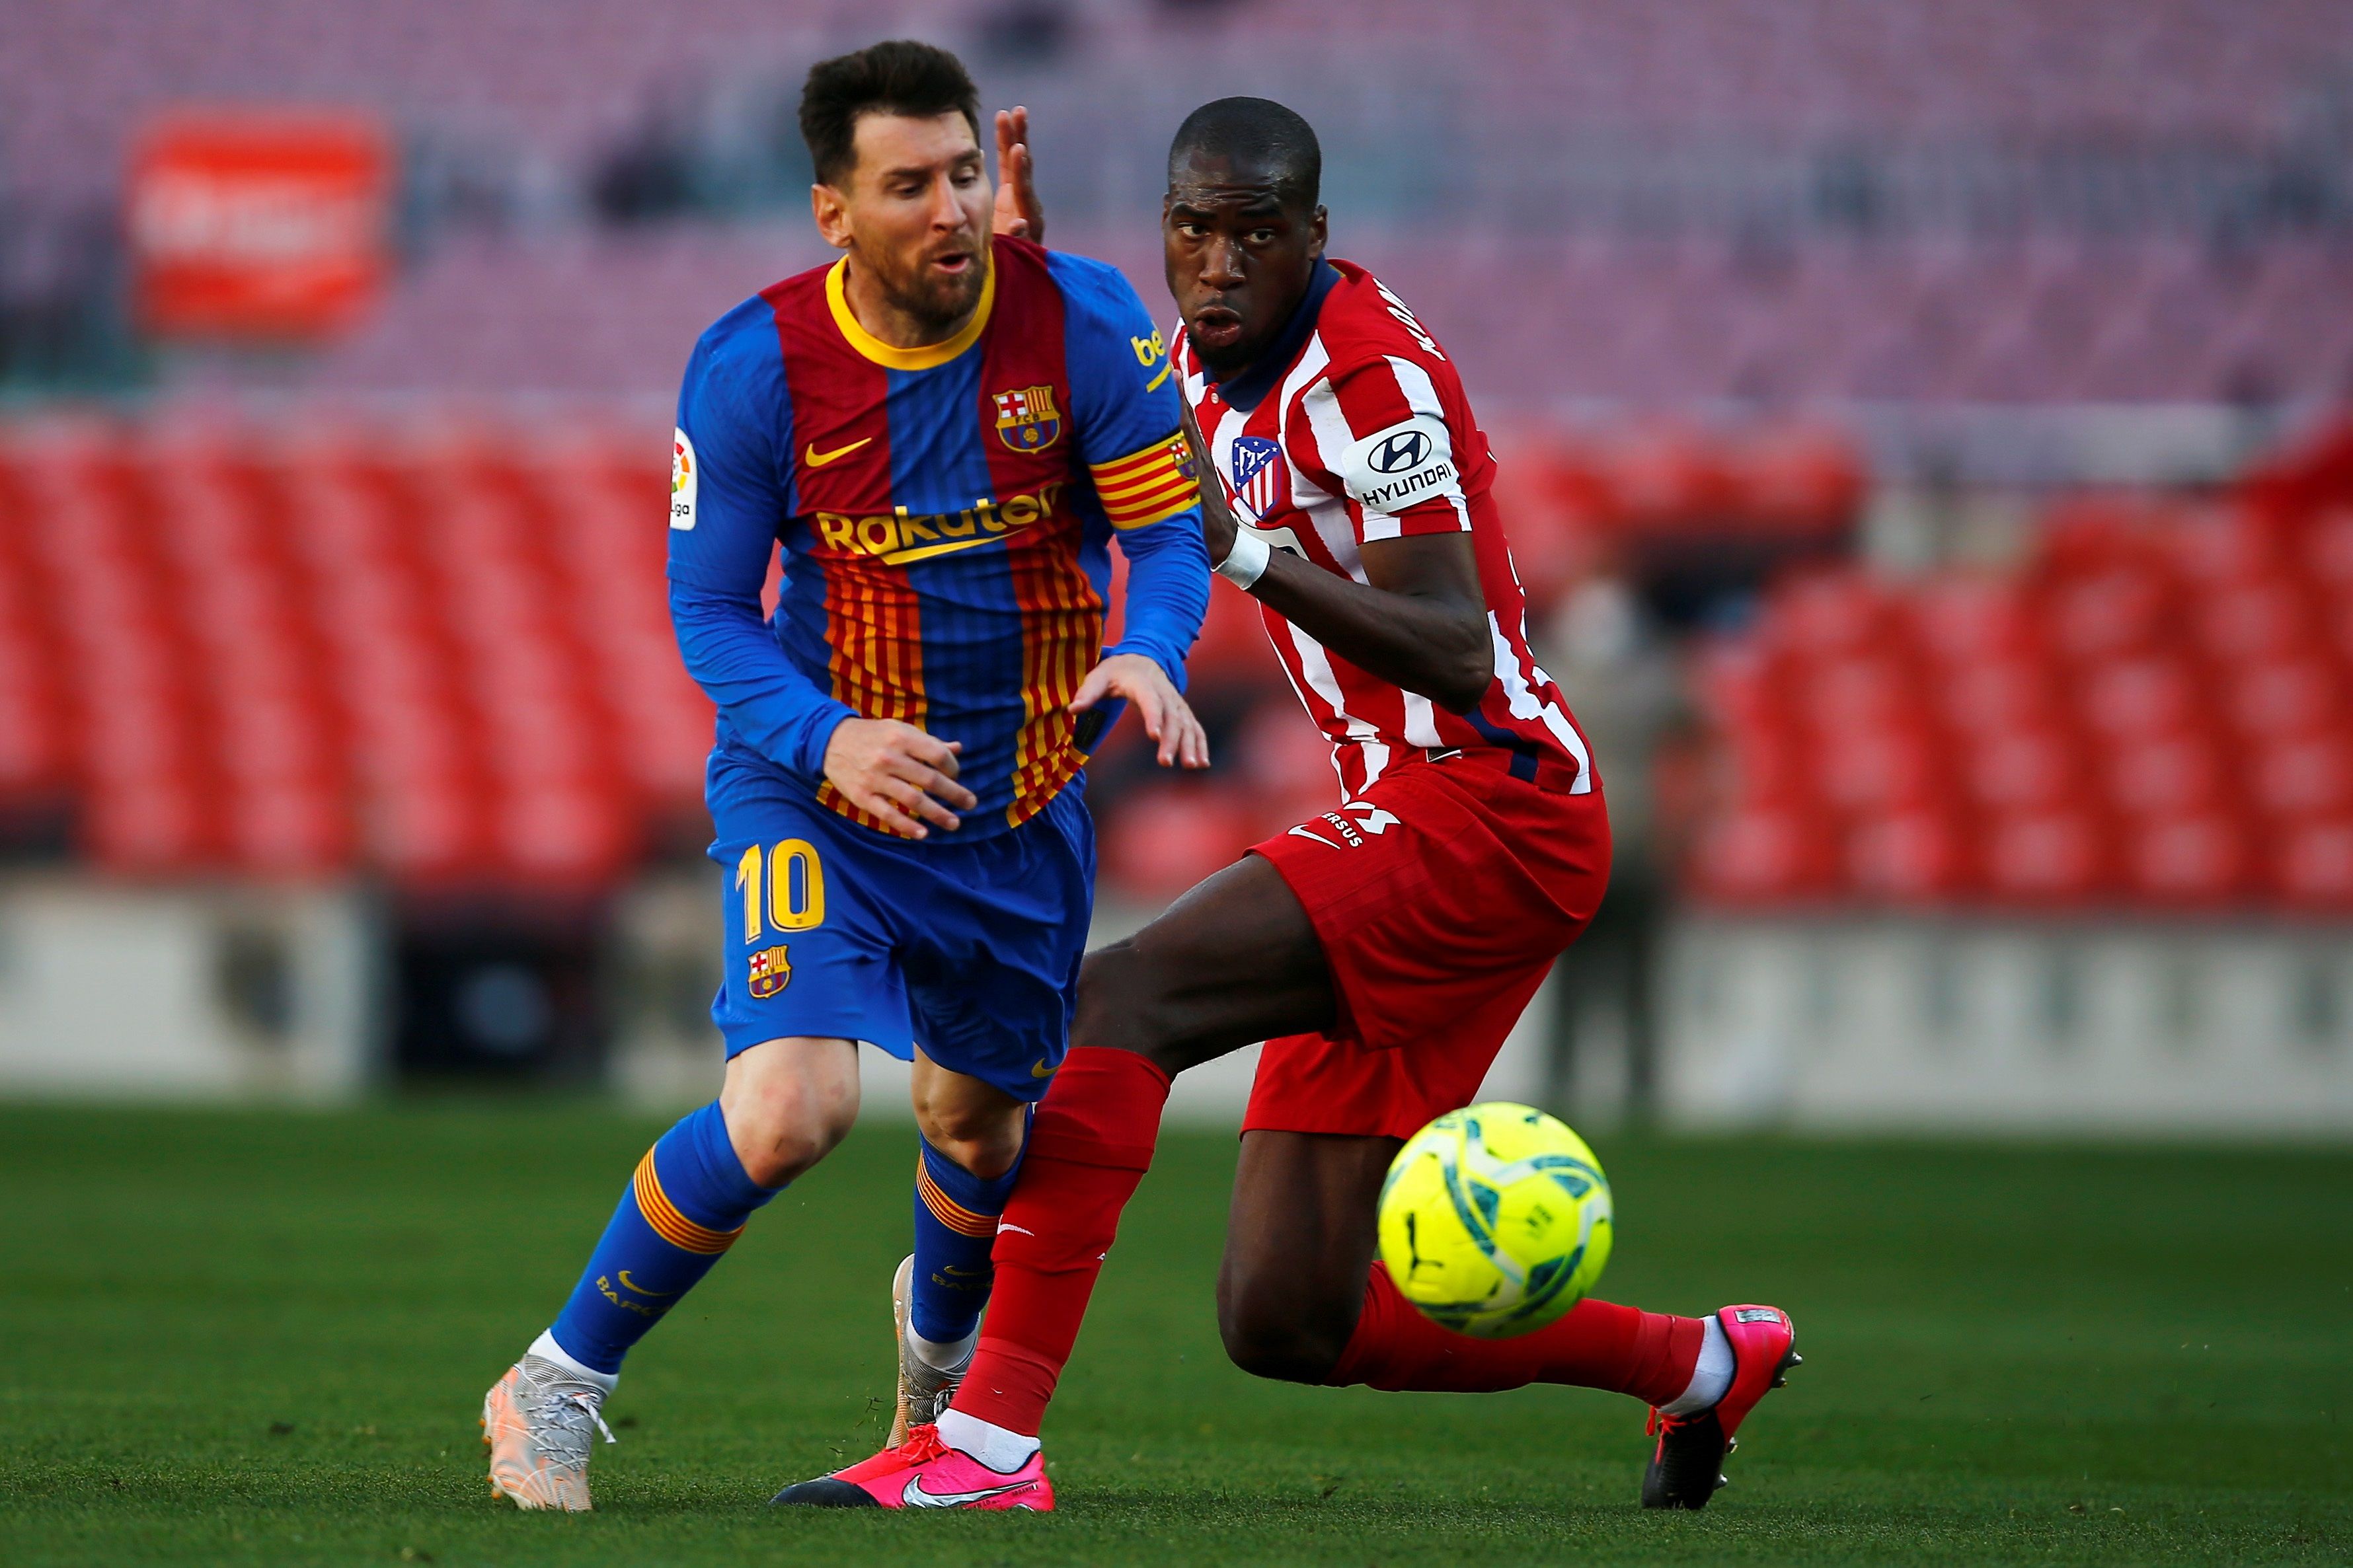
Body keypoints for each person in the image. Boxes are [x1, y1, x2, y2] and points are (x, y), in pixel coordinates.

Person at [774, 96, 1795, 1516]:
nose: (1219, 262)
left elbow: (1451, 643)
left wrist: (1238, 543)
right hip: (1426, 812)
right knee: (1285, 1319)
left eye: (1257, 233)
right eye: (1194, 229)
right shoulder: (1189, 353)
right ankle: (1697, 1363)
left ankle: (987, 1444)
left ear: (1313, 233)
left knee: (1115, 1002)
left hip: (1491, 805)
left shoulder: (1370, 378)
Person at [481, 40, 1210, 1511]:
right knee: (792, 1109)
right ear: (832, 212)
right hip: (813, 787)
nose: (949, 209)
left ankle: (927, 1413)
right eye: (907, 185)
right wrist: (832, 736)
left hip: (1012, 811)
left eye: (961, 174)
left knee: (973, 1125)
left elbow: (1171, 537)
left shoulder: (1080, 325)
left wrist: (1152, 649)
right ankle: (552, 1383)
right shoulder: (753, 364)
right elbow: (708, 613)